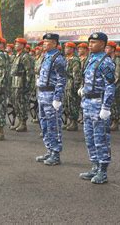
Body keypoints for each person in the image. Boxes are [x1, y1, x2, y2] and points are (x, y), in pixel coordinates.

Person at [78, 32, 115, 184]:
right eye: (90, 42)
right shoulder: (90, 59)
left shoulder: (106, 62)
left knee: (101, 139)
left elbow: (110, 86)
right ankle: (94, 166)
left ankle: (103, 171)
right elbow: (87, 79)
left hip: (99, 104)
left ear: (102, 44)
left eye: (94, 42)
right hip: (87, 103)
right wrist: (82, 89)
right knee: (90, 138)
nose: (90, 44)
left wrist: (106, 107)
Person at [35, 33, 66, 166]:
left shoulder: (58, 58)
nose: (44, 44)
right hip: (42, 94)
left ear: (54, 43)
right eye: (44, 42)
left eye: (47, 42)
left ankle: (56, 153)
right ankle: (49, 149)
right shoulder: (45, 56)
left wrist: (57, 97)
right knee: (44, 124)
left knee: (54, 125)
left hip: (51, 95)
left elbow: (61, 79)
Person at [9, 37, 34, 132]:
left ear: (23, 46)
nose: (16, 45)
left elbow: (29, 72)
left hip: (21, 83)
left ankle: (23, 123)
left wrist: (27, 85)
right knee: (16, 102)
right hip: (15, 82)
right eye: (15, 44)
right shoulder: (16, 56)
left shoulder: (25, 56)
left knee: (22, 103)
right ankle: (19, 121)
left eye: (18, 44)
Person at [63, 42, 82, 131]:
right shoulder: (66, 59)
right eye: (65, 48)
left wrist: (76, 87)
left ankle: (74, 123)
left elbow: (76, 75)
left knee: (73, 104)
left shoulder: (75, 60)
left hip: (71, 83)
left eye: (68, 48)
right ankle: (70, 121)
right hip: (66, 83)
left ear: (72, 49)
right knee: (67, 104)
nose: (65, 49)